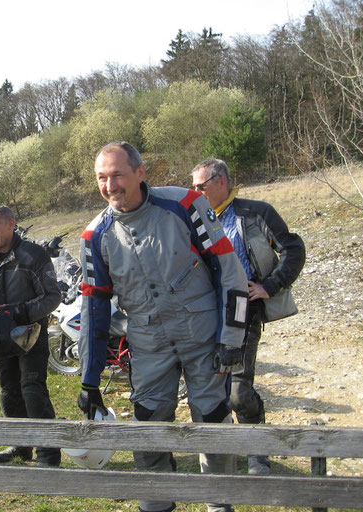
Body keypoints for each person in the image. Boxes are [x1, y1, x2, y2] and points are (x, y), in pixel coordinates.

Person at [77, 142, 248, 512]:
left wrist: (232, 337)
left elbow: (229, 271)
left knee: (213, 421)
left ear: (140, 172)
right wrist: (89, 379)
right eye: (101, 178)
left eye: (117, 174)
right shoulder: (95, 236)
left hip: (203, 336)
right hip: (148, 343)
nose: (110, 186)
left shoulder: (185, 204)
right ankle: (156, 504)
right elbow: (94, 308)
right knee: (147, 427)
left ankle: (220, 505)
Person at [192, 158, 305, 475]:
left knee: (239, 392)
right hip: (204, 312)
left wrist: (271, 285)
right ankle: (222, 453)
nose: (195, 192)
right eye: (193, 187)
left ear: (222, 182)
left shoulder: (256, 212)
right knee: (210, 387)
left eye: (201, 186)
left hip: (244, 308)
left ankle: (258, 452)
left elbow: (293, 248)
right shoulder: (195, 219)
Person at [0, 204, 62, 467]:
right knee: (8, 391)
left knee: (33, 390)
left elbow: (52, 297)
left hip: (30, 334)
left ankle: (48, 454)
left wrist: (18, 312)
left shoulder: (33, 255)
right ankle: (20, 447)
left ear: (10, 224)